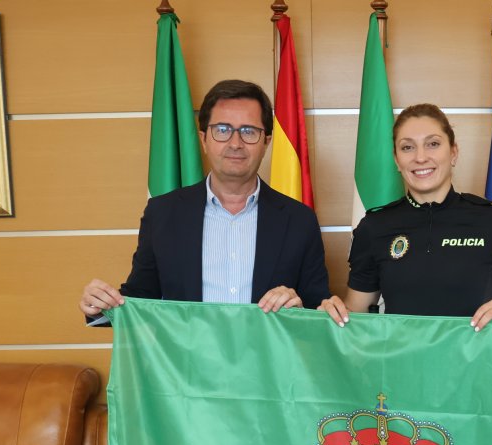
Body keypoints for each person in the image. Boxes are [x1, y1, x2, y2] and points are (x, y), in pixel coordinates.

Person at [80, 79, 329, 321]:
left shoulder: (299, 220)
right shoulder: (163, 213)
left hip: (266, 361)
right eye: (222, 130)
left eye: (248, 131)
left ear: (266, 142)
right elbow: (142, 298)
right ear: (203, 139)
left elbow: (317, 308)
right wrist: (101, 306)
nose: (235, 143)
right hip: (188, 362)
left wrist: (300, 308)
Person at [320, 103, 492, 329]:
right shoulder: (374, 227)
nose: (420, 157)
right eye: (407, 148)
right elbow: (355, 317)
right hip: (402, 361)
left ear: (453, 152)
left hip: (475, 362)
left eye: (433, 144)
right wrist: (333, 312)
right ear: (396, 160)